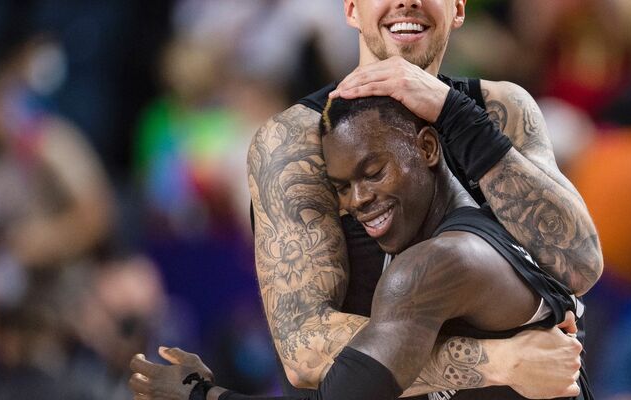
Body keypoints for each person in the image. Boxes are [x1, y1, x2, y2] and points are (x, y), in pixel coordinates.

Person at [131, 0, 602, 398]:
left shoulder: (500, 109)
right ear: (352, 9)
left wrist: (453, 114)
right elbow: (303, 348)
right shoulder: (295, 141)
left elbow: (580, 264)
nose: (406, 2)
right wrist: (498, 361)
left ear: (458, 8)